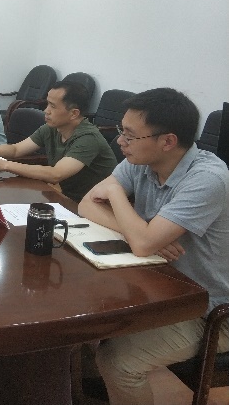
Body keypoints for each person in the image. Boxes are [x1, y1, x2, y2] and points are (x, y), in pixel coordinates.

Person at [78, 88, 229, 405]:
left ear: (168, 141)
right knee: (82, 313)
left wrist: (118, 199)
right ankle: (91, 391)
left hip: (209, 309)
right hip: (160, 283)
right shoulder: (141, 159)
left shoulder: (208, 178)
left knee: (119, 363)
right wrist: (143, 235)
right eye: (121, 130)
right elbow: (86, 205)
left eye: (129, 135)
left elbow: (142, 241)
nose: (120, 141)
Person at [0, 81, 117, 201]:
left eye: (52, 106)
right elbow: (16, 150)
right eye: (47, 104)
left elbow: (56, 174)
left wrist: (3, 164)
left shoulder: (88, 138)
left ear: (74, 113)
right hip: (62, 194)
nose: (46, 111)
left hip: (89, 204)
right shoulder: (52, 128)